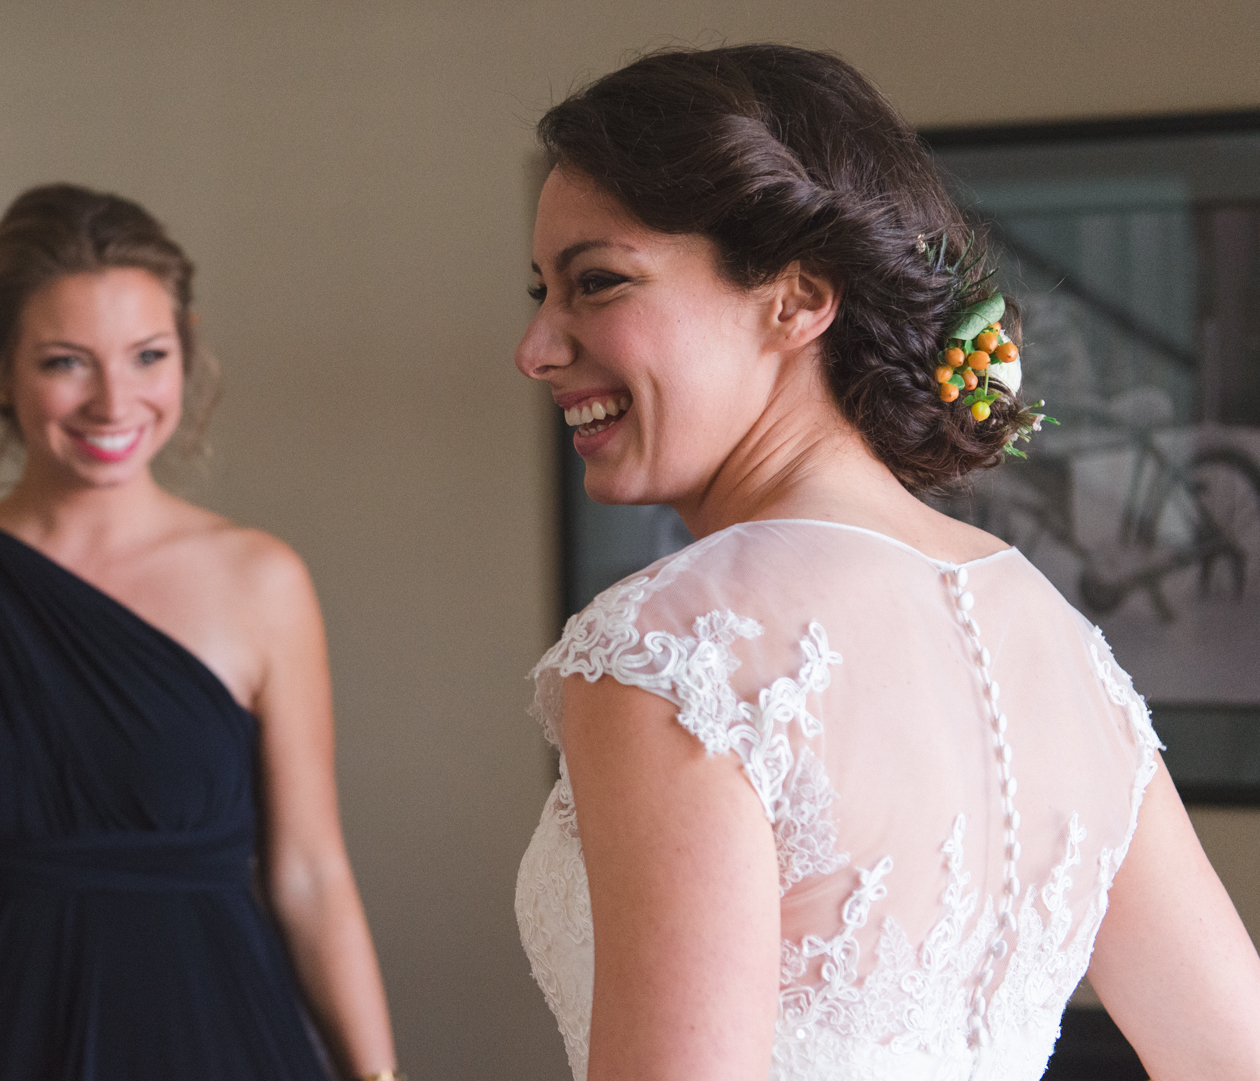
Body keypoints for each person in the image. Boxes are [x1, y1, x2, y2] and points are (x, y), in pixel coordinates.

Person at [512, 45, 1260, 1081]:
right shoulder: (1055, 635)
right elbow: (1233, 1050)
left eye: (597, 284)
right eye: (542, 291)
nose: (537, 347)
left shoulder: (671, 650)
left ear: (796, 299)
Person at [0, 183, 399, 1081]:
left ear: (185, 352)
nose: (114, 401)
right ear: (0, 368)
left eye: (148, 354)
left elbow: (311, 875)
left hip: (221, 1046)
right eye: (65, 362)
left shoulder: (263, 581)